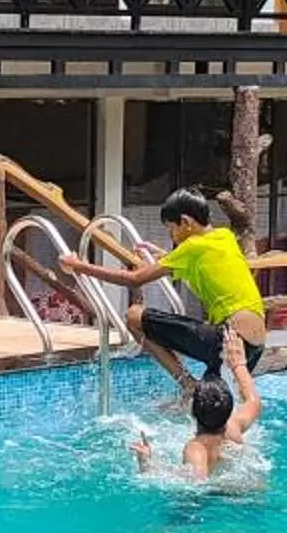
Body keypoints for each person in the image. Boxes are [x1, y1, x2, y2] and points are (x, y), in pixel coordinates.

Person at [61, 188, 268, 392]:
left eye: (171, 228)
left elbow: (134, 279)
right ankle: (191, 391)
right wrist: (162, 255)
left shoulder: (192, 247)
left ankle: (187, 383)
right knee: (210, 403)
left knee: (134, 316)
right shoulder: (224, 236)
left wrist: (79, 266)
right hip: (255, 343)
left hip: (229, 338)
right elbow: (200, 264)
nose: (171, 235)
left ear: (186, 222)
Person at [134, 337, 263, 482]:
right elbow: (253, 401)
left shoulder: (196, 449)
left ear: (193, 412)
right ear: (229, 410)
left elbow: (195, 482)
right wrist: (238, 364)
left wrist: (147, 464)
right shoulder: (234, 428)